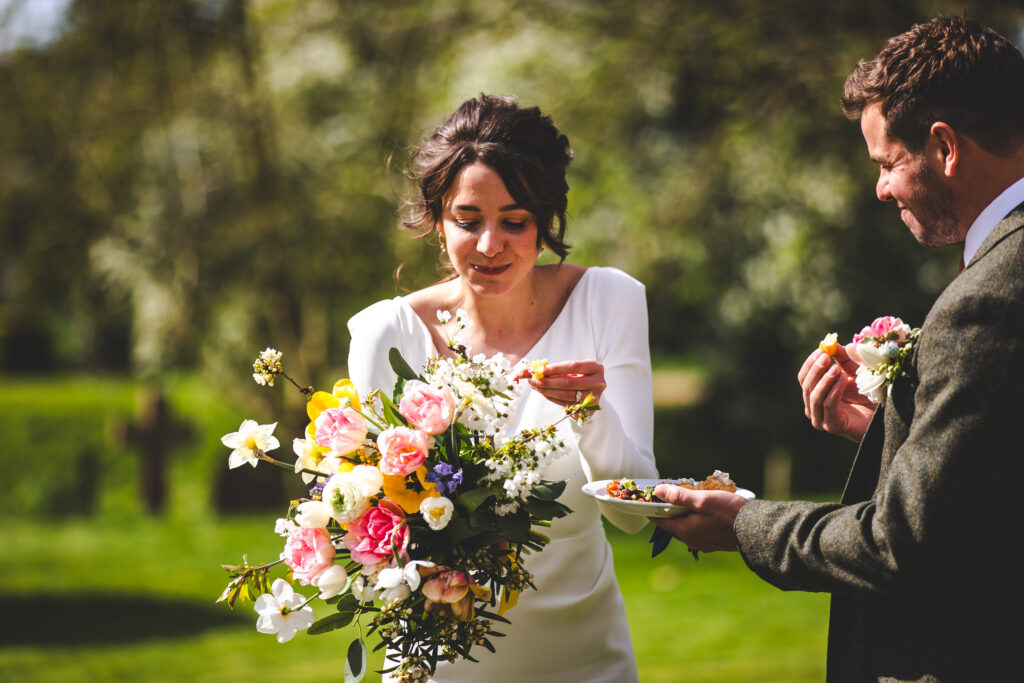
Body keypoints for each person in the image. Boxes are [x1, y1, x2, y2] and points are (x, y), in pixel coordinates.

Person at [651, 15, 1024, 682]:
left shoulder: (990, 297)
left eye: (888, 163)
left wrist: (746, 523)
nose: (880, 188)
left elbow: (903, 545)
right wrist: (894, 431)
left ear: (944, 146)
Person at [347, 94, 658, 682]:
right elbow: (374, 531)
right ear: (438, 222)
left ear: (545, 222)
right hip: (436, 666)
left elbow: (634, 516)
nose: (490, 245)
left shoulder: (608, 301)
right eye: (468, 221)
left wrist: (591, 415)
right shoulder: (387, 335)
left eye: (514, 222)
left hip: (584, 662)